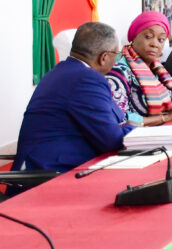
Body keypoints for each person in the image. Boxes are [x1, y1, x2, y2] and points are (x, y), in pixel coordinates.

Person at [13, 23, 134, 173]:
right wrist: (136, 128)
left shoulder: (62, 71)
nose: (116, 61)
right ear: (104, 57)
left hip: (49, 164)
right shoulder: (87, 79)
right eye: (116, 55)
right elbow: (112, 140)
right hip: (50, 174)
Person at [106, 12, 172, 127]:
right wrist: (165, 117)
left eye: (161, 40)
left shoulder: (157, 69)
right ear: (134, 36)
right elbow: (120, 118)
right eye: (148, 37)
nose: (154, 44)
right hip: (131, 138)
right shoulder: (117, 70)